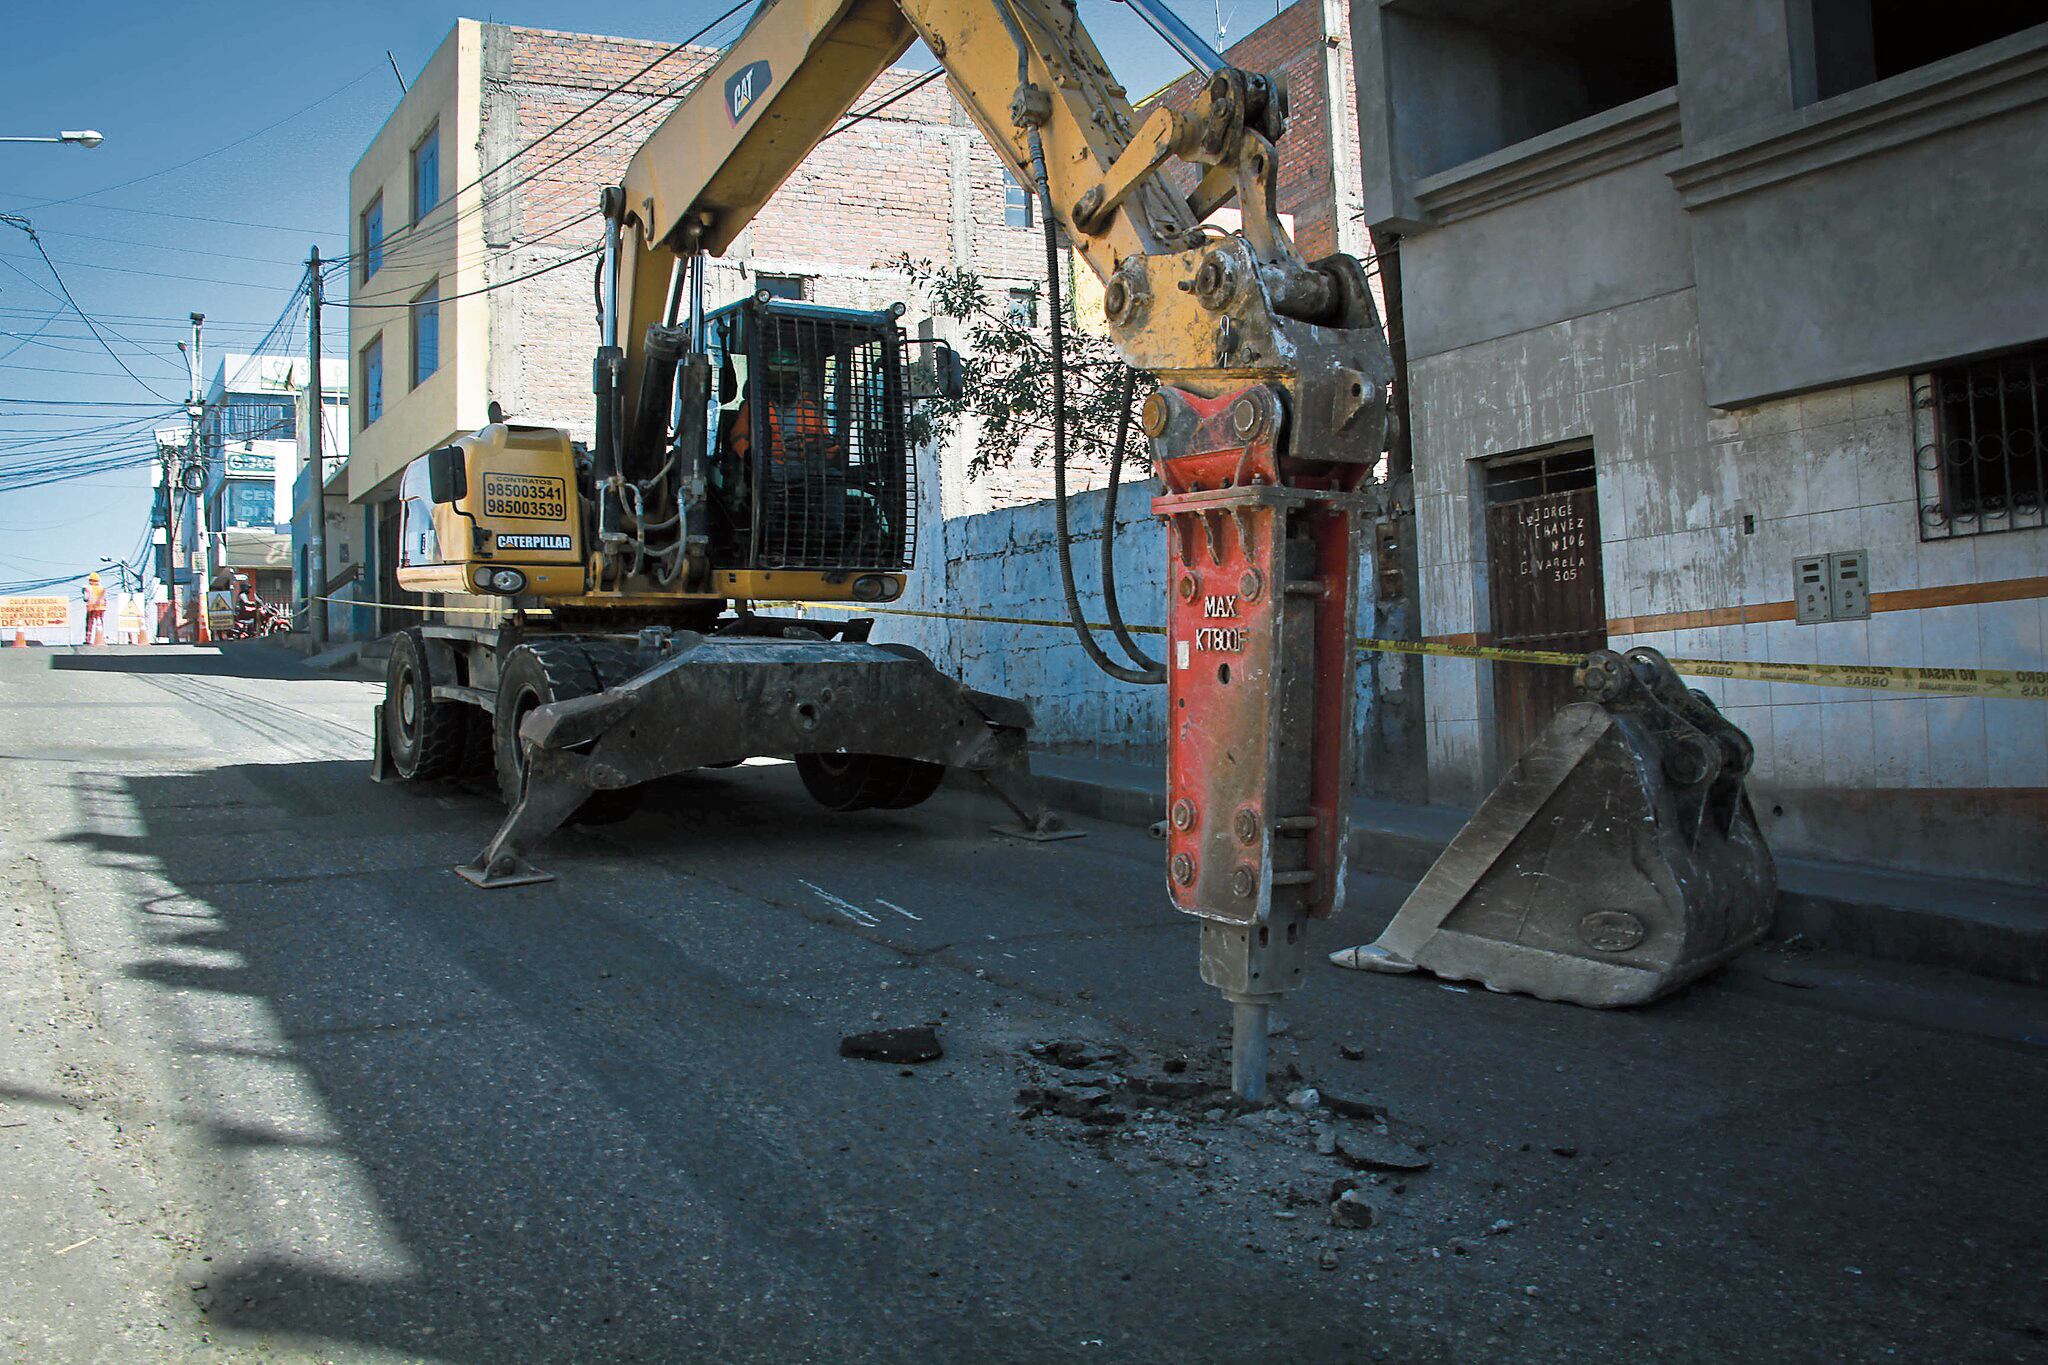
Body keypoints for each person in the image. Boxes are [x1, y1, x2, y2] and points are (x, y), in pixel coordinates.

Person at [83, 571, 107, 646]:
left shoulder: (87, 588)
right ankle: (101, 637)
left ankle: (88, 639)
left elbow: (85, 598)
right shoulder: (102, 588)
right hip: (101, 608)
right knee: (100, 623)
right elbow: (105, 598)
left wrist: (83, 591)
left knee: (89, 623)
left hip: (91, 608)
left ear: (91, 580)